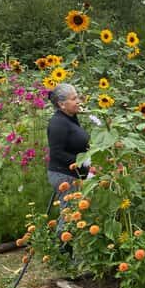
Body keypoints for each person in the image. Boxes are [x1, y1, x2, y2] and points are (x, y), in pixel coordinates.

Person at [47, 83, 90, 242]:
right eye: (74, 99)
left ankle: (70, 251)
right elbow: (57, 153)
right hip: (64, 175)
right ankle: (62, 249)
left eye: (77, 97)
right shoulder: (58, 123)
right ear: (61, 104)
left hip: (74, 173)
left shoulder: (70, 118)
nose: (78, 101)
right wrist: (82, 162)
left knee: (75, 213)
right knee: (70, 215)